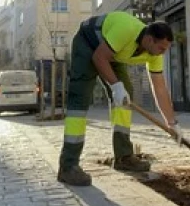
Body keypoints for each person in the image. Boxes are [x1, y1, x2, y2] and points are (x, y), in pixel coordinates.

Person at [58, 11, 183, 186]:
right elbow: (99, 57)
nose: (162, 54)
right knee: (80, 101)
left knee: (126, 98)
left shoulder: (154, 54)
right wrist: (116, 86)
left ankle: (123, 157)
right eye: (161, 49)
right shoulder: (126, 30)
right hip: (88, 43)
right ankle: (68, 166)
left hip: (111, 52)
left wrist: (172, 123)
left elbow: (160, 88)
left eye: (165, 50)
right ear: (149, 40)